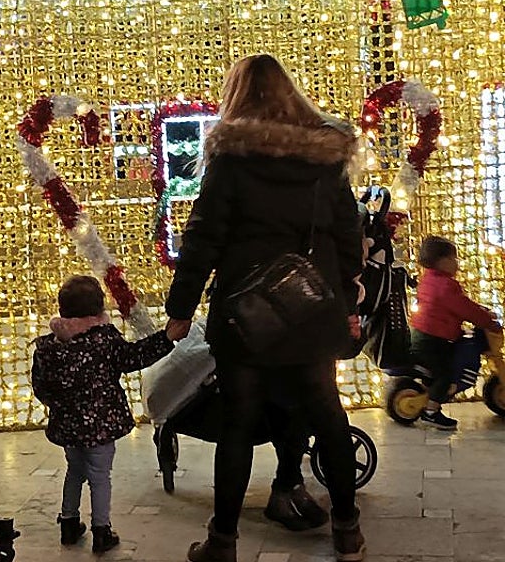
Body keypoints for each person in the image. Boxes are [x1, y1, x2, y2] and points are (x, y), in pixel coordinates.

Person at [164, 54, 366, 562]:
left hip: (245, 315)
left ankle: (223, 542)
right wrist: (345, 297)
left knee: (238, 422)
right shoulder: (325, 159)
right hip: (312, 309)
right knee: (328, 415)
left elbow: (204, 238)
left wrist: (180, 308)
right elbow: (349, 235)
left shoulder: (231, 158)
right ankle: (347, 532)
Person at [32, 275, 174, 554]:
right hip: (100, 426)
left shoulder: (48, 347)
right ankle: (101, 530)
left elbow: (41, 387)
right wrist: (166, 338)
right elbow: (134, 357)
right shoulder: (104, 339)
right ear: (99, 309)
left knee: (74, 470)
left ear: (62, 309)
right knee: (99, 476)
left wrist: (60, 406)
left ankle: (69, 523)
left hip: (68, 426)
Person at [409, 236, 502, 431]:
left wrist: (482, 310)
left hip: (426, 337)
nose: (457, 263)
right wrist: (487, 321)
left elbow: (462, 305)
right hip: (432, 342)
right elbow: (465, 309)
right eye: (454, 259)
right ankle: (431, 412)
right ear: (442, 262)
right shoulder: (445, 287)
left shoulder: (430, 280)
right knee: (446, 375)